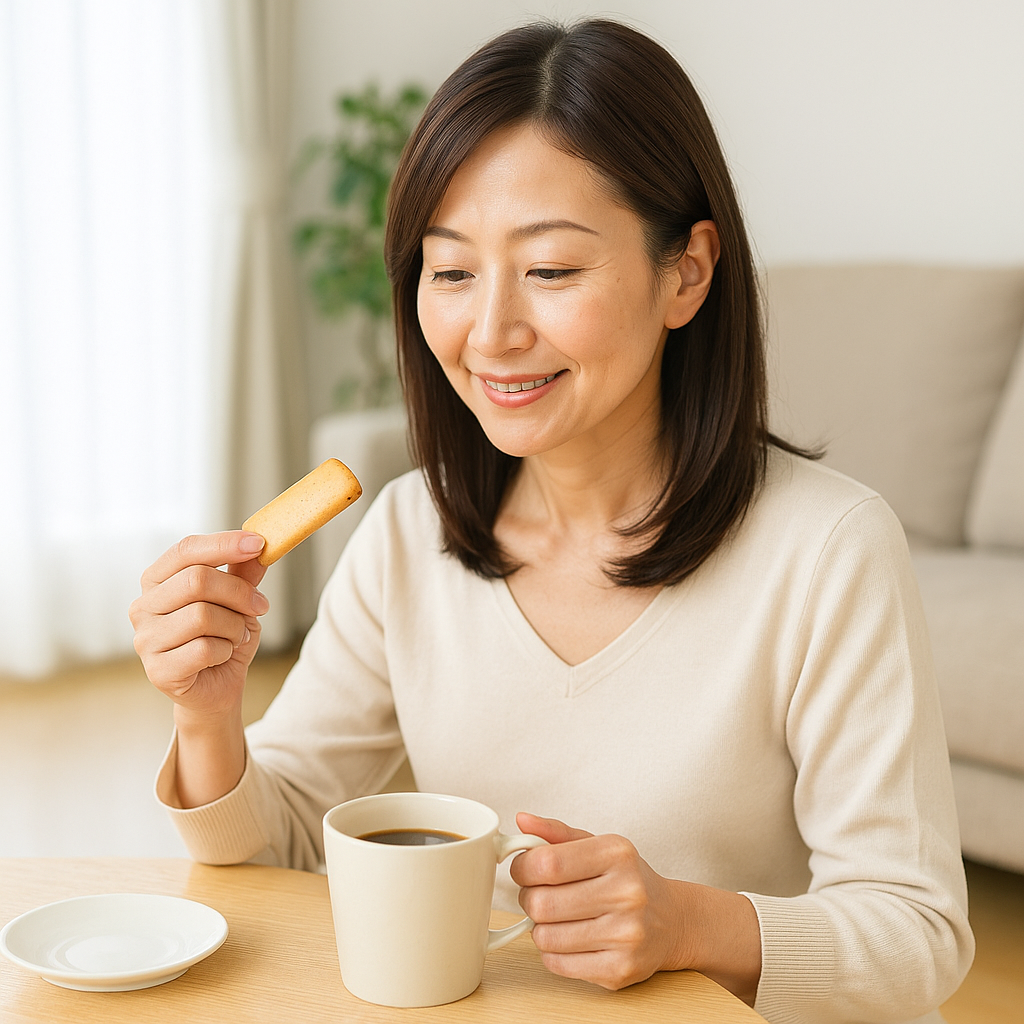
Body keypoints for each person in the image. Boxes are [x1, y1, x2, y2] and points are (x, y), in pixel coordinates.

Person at [129, 19, 973, 1023]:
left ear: (685, 274)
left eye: (552, 270)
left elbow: (917, 935)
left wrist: (688, 924)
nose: (490, 332)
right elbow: (283, 844)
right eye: (450, 271)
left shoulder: (826, 551)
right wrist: (207, 712)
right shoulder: (409, 532)